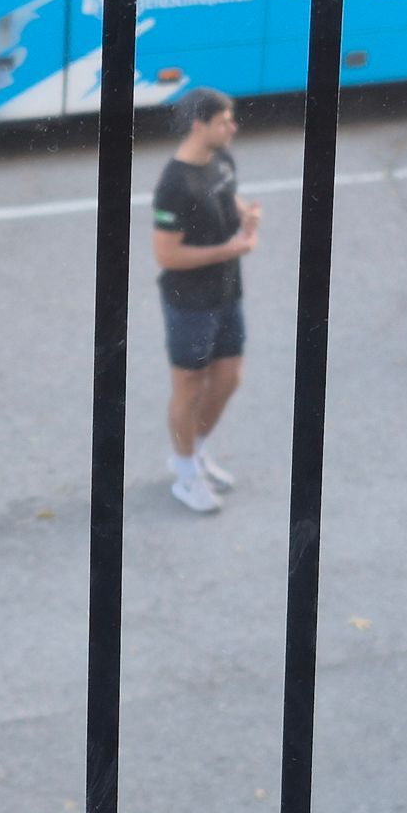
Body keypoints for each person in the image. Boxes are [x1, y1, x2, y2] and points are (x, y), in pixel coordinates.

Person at [151, 88, 260, 516]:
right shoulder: (174, 184)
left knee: (229, 377)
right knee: (190, 386)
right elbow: (166, 255)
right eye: (224, 122)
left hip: (228, 290)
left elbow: (228, 193)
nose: (233, 127)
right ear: (200, 126)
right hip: (189, 301)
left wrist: (245, 215)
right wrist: (228, 250)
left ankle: (194, 451)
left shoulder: (222, 158)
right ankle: (184, 474)